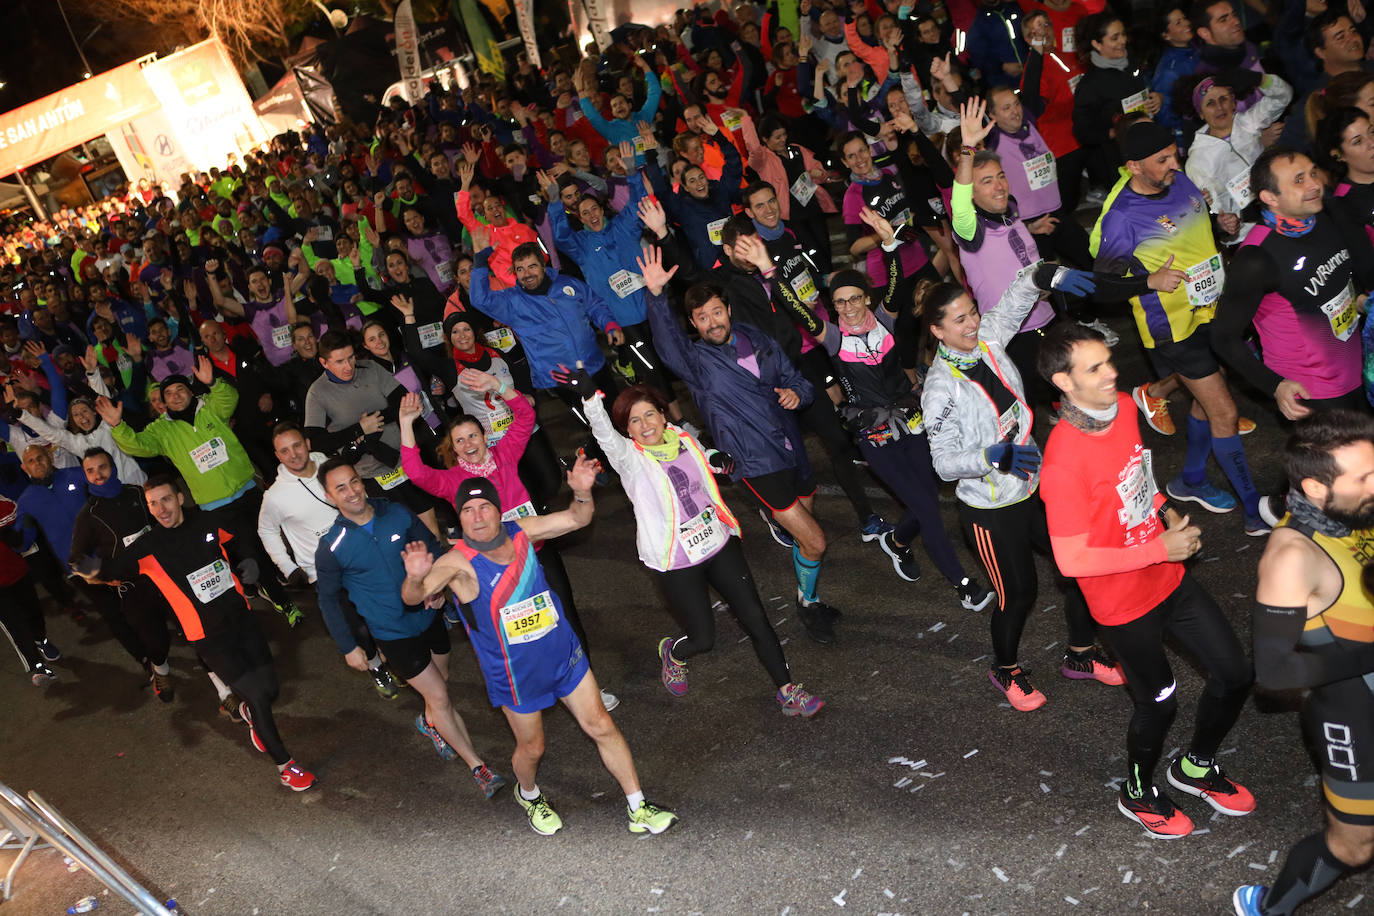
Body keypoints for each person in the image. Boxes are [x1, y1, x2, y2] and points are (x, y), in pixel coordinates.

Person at [1039, 322, 1254, 839]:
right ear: (1064, 382)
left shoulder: (1127, 409)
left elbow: (1135, 479)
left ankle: (1196, 766)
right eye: (1094, 368)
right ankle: (1136, 791)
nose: (1112, 372)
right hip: (1122, 603)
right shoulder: (1062, 462)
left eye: (1107, 360)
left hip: (1167, 576)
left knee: (1235, 674)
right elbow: (1070, 561)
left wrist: (1163, 512)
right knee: (1159, 703)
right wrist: (1158, 547)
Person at [401, 465, 678, 837]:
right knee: (532, 748)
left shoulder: (522, 531)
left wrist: (581, 491)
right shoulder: (458, 562)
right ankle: (529, 794)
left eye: (484, 507)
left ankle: (638, 806)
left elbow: (579, 518)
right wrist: (416, 576)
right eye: (467, 510)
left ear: (499, 510)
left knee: (601, 724)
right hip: (517, 675)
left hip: (564, 654)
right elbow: (414, 596)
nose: (477, 516)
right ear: (460, 518)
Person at [919, 252, 1126, 710]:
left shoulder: (989, 341)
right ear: (937, 331)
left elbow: (1014, 300)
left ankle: (1080, 655)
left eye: (971, 312)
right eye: (958, 321)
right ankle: (1006, 669)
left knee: (1076, 568)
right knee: (1019, 593)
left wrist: (1045, 274)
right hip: (990, 512)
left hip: (1033, 489)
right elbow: (944, 463)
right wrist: (992, 456)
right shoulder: (939, 390)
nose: (971, 324)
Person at [564, 365, 824, 717]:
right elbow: (603, 433)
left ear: (661, 413)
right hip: (675, 560)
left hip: (716, 541)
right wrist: (589, 397)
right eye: (635, 421)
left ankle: (787, 690)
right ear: (627, 429)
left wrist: (717, 459)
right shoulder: (629, 459)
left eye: (650, 415)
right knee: (703, 638)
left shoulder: (681, 438)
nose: (645, 425)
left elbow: (705, 455)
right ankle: (674, 652)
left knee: (756, 619)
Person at [644, 245, 844, 645]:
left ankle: (808, 598)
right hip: (754, 463)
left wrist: (797, 395)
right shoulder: (697, 363)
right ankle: (809, 604)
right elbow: (667, 345)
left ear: (728, 310)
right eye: (702, 318)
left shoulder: (758, 338)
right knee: (816, 540)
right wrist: (654, 296)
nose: (712, 322)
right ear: (694, 324)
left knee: (805, 536)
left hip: (792, 448)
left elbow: (798, 380)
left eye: (717, 312)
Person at [74, 475, 316, 792]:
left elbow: (238, 541)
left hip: (242, 619)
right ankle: (286, 767)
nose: (161, 509)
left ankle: (249, 714)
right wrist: (84, 565)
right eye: (153, 504)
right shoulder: (146, 549)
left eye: (166, 499)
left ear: (179, 497)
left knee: (269, 691)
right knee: (257, 694)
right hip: (207, 636)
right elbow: (107, 570)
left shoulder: (208, 522)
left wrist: (248, 563)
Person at [1095, 120, 1267, 535]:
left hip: (1213, 311)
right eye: (1163, 159)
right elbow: (1102, 285)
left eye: (1175, 153)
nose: (1176, 162)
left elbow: (1195, 230)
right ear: (1134, 166)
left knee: (1208, 400)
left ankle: (1190, 480)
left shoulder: (1180, 180)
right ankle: (1252, 509)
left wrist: (1219, 227)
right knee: (1224, 410)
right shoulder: (1123, 217)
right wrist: (1148, 281)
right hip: (1173, 327)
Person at [1233, 411, 1374, 915]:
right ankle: (1270, 908)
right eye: (1364, 478)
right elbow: (1273, 673)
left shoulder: (1353, 507)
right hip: (1352, 713)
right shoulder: (1291, 558)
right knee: (1354, 845)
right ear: (1317, 487)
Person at [313, 457, 507, 796]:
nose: (352, 492)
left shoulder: (396, 513)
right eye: (340, 488)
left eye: (354, 482)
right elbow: (328, 600)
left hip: (428, 616)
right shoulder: (332, 546)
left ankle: (428, 721)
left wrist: (437, 588)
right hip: (392, 633)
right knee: (441, 696)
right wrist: (348, 646)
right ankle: (479, 767)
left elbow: (434, 548)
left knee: (441, 682)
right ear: (329, 497)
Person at [98, 358, 304, 624]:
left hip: (248, 491)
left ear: (191, 391)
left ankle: (285, 576)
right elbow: (137, 445)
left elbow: (230, 399)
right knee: (251, 550)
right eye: (168, 394)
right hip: (216, 506)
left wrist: (213, 382)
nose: (175, 396)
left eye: (180, 390)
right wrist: (118, 426)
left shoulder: (210, 408)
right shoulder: (161, 430)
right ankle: (284, 603)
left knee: (274, 538)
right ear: (163, 401)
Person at [1213, 148, 1374, 422]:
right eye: (1299, 180)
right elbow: (1222, 336)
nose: (1314, 184)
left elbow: (1334, 286)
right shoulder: (1256, 259)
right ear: (1270, 197)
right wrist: (1273, 385)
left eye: (1313, 173)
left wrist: (1359, 300)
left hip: (1357, 369)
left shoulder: (1325, 219)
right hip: (1314, 396)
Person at [257, 422, 400, 700]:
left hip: (361, 554)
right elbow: (266, 530)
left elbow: (356, 493)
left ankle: (394, 655)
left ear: (307, 443)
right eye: (284, 451)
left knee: (380, 609)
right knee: (354, 624)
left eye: (297, 445)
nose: (293, 454)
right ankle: (376, 666)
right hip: (323, 570)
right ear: (277, 456)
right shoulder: (274, 496)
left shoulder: (328, 466)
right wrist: (287, 567)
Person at [68, 447, 176, 699]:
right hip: (133, 587)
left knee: (195, 628)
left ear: (113, 467)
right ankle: (160, 669)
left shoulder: (138, 493)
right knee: (157, 643)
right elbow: (76, 559)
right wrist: (104, 576)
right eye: (90, 471)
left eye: (102, 467)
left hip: (166, 574)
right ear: (85, 476)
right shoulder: (88, 515)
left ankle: (223, 687)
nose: (98, 474)